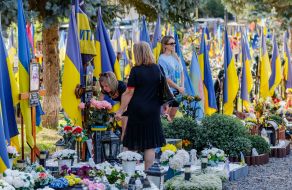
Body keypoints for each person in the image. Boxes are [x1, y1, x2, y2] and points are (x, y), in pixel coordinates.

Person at [115, 42, 166, 170]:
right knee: (150, 144)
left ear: (137, 54)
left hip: (137, 109)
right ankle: (148, 176)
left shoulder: (136, 71)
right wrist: (165, 105)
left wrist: (120, 111)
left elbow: (129, 92)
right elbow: (162, 89)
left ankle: (129, 175)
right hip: (153, 109)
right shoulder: (157, 68)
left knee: (131, 142)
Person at [158, 35, 184, 121]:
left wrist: (182, 87)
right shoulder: (162, 59)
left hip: (179, 90)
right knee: (166, 117)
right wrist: (178, 87)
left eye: (174, 43)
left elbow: (182, 72)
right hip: (169, 92)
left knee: (172, 116)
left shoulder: (176, 57)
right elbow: (166, 78)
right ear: (165, 45)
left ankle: (169, 134)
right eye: (171, 43)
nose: (173, 45)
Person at [98, 72, 127, 140]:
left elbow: (125, 108)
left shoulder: (122, 87)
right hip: (123, 104)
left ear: (112, 83)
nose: (104, 88)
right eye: (102, 86)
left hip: (132, 103)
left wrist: (117, 114)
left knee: (124, 116)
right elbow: (99, 101)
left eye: (106, 86)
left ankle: (124, 135)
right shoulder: (105, 88)